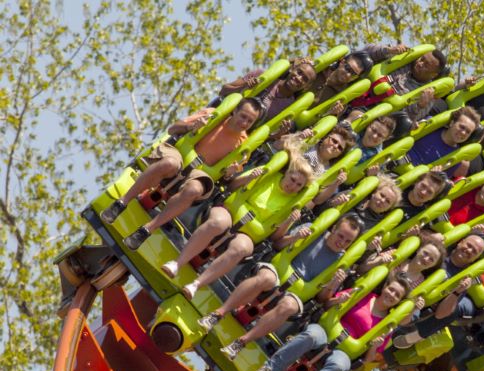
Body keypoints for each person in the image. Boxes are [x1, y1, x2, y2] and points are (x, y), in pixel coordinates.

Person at [160, 150, 330, 299]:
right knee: (217, 223)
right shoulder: (268, 176)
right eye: (292, 179)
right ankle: (177, 263)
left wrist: (289, 220)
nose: (293, 186)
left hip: (250, 232)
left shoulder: (293, 203)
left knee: (242, 248)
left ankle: (196, 284)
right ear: (286, 174)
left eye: (298, 185)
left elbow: (275, 237)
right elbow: (233, 185)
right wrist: (249, 177)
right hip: (231, 213)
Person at [101, 98, 264, 250]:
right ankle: (121, 203)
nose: (244, 123)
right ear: (234, 111)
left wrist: (229, 173)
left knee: (195, 189)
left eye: (250, 121)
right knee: (169, 164)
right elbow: (173, 128)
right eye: (243, 116)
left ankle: (146, 230)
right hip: (180, 156)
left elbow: (228, 181)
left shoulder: (244, 145)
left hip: (200, 173)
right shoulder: (213, 115)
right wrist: (190, 127)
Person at [250, 276, 423, 371]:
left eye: (397, 295)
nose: (391, 295)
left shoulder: (387, 324)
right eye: (391, 289)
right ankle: (267, 370)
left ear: (398, 301)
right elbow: (328, 303)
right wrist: (338, 301)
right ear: (385, 287)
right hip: (327, 331)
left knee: (338, 365)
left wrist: (373, 346)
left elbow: (368, 360)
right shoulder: (363, 296)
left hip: (345, 351)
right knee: (311, 335)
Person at [197, 215, 364, 355]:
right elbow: (277, 244)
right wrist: (296, 237)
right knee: (266, 278)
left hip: (298, 292)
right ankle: (218, 314)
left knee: (289, 306)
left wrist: (333, 284)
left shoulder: (342, 264)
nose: (341, 242)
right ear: (334, 228)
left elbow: (322, 299)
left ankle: (241, 342)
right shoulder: (313, 229)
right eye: (340, 236)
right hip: (279, 271)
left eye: (347, 241)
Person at [219, 57, 317, 133]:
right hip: (222, 122)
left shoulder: (290, 107)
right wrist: (244, 87)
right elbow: (223, 91)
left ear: (306, 87)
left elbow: (266, 136)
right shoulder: (263, 76)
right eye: (299, 72)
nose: (299, 78)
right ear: (292, 69)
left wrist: (278, 134)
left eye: (305, 79)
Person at [358, 45, 448, 121]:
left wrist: (419, 106)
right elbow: (365, 53)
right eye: (422, 59)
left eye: (426, 65)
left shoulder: (428, 93)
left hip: (377, 116)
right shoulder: (403, 58)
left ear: (433, 75)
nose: (420, 63)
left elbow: (407, 121)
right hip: (361, 88)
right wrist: (388, 50)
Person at [407, 106, 483, 169]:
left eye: (468, 132)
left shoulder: (456, 157)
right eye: (462, 127)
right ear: (452, 123)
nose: (463, 133)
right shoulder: (430, 126)